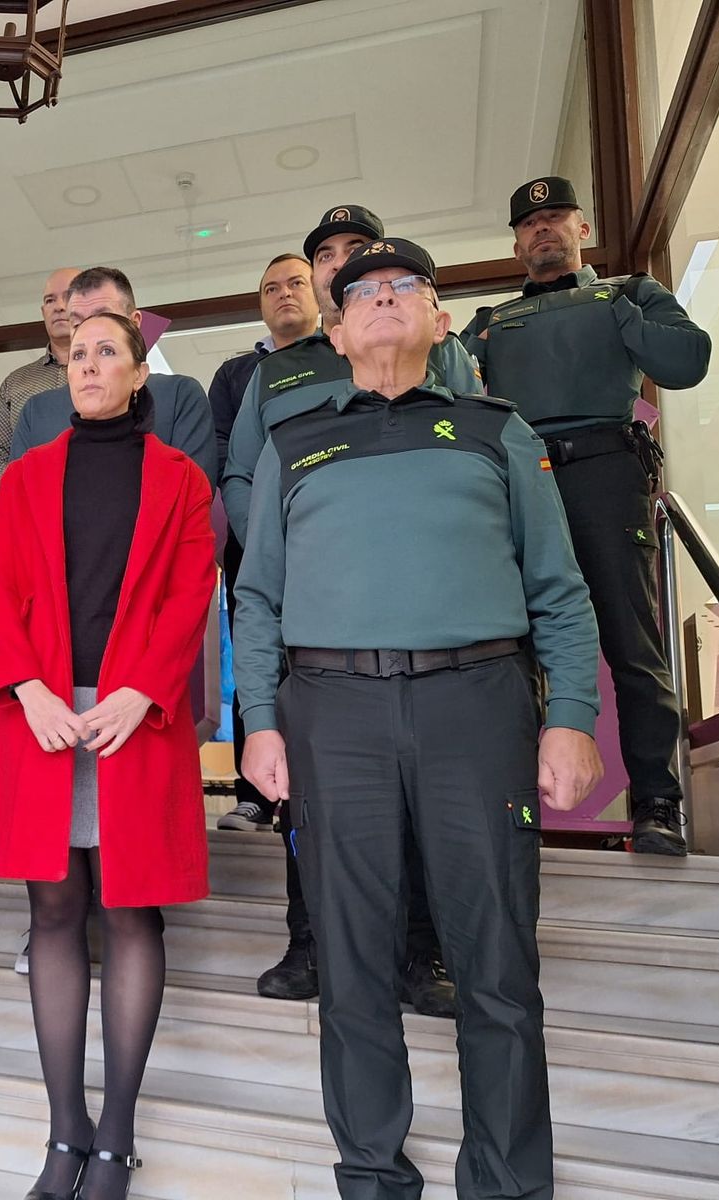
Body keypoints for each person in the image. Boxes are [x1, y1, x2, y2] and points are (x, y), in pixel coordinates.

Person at [236, 238, 603, 1200]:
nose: (385, 300)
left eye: (407, 288)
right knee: (352, 963)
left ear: (441, 320)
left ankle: (509, 1182)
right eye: (364, 292)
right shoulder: (293, 440)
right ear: (338, 328)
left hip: (474, 708)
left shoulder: (496, 430)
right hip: (332, 716)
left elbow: (559, 588)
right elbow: (260, 599)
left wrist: (569, 714)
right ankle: (371, 1173)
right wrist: (260, 721)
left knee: (496, 964)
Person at [0, 312, 217, 1200]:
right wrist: (27, 688)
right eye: (76, 353)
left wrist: (145, 688)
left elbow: (194, 592)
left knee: (128, 913)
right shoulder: (30, 475)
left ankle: (115, 1134)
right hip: (44, 712)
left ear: (138, 371)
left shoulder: (181, 477)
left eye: (105, 351)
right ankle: (64, 1132)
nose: (87, 364)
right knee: (52, 911)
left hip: (131, 715)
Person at [219, 205, 472, 1014]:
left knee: (419, 795)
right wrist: (273, 556)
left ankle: (421, 952)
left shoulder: (438, 354)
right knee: (310, 788)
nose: (337, 265)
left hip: (424, 619)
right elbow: (242, 479)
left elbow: (477, 451)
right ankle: (312, 942)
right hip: (313, 618)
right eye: (323, 254)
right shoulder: (277, 372)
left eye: (354, 252)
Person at [462, 176, 713, 856]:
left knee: (633, 645)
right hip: (520, 481)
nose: (543, 228)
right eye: (530, 222)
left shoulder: (631, 293)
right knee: (510, 649)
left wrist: (610, 306)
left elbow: (688, 360)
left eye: (556, 216)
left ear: (583, 226)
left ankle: (658, 804)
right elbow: (448, 394)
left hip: (606, 471)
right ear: (516, 242)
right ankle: (517, 804)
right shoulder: (489, 322)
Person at [210, 254, 319, 833]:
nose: (284, 295)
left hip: (328, 546)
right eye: (271, 288)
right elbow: (229, 458)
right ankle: (253, 794)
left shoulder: (339, 356)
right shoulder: (235, 375)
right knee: (254, 663)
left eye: (295, 283)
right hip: (254, 544)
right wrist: (260, 541)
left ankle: (311, 788)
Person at [8, 267, 216, 483]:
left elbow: (194, 495)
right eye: (78, 323)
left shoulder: (180, 397)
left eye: (104, 317)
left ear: (134, 323)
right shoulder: (37, 411)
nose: (91, 330)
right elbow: (17, 504)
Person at [0, 267, 78, 496]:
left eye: (68, 297)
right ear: (43, 311)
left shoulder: (106, 375)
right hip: (29, 513)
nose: (59, 306)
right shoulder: (16, 383)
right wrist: (17, 502)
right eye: (50, 300)